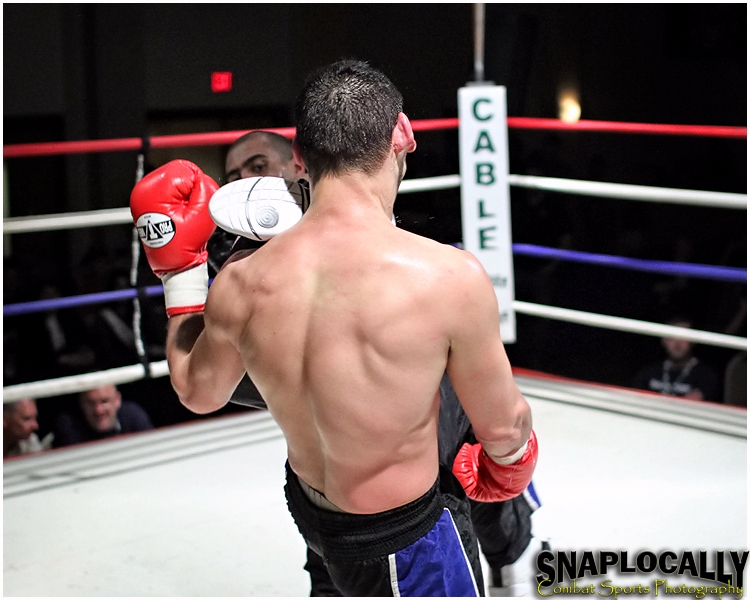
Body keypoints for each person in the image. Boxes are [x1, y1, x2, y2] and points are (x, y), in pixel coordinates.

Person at [130, 60, 537, 596]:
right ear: (403, 134)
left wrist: (181, 276)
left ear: (299, 155)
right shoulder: (448, 277)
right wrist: (510, 464)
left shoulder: (239, 282)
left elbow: (196, 391)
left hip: (314, 520)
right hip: (407, 543)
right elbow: (504, 429)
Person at [211, 128, 545, 595]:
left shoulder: (382, 238)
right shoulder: (234, 259)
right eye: (233, 175)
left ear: (299, 165)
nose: (246, 180)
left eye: (258, 165)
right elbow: (219, 377)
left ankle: (511, 548)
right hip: (338, 478)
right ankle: (508, 544)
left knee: (460, 441)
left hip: (385, 461)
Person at [632, 317, 720, 402]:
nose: (677, 344)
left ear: (693, 340)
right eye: (672, 337)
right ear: (663, 340)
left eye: (683, 337)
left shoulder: (705, 376)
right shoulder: (649, 372)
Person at [53, 384, 154, 447]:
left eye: (104, 401)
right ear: (81, 404)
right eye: (91, 403)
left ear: (117, 400)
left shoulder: (133, 415)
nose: (98, 410)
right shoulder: (69, 425)